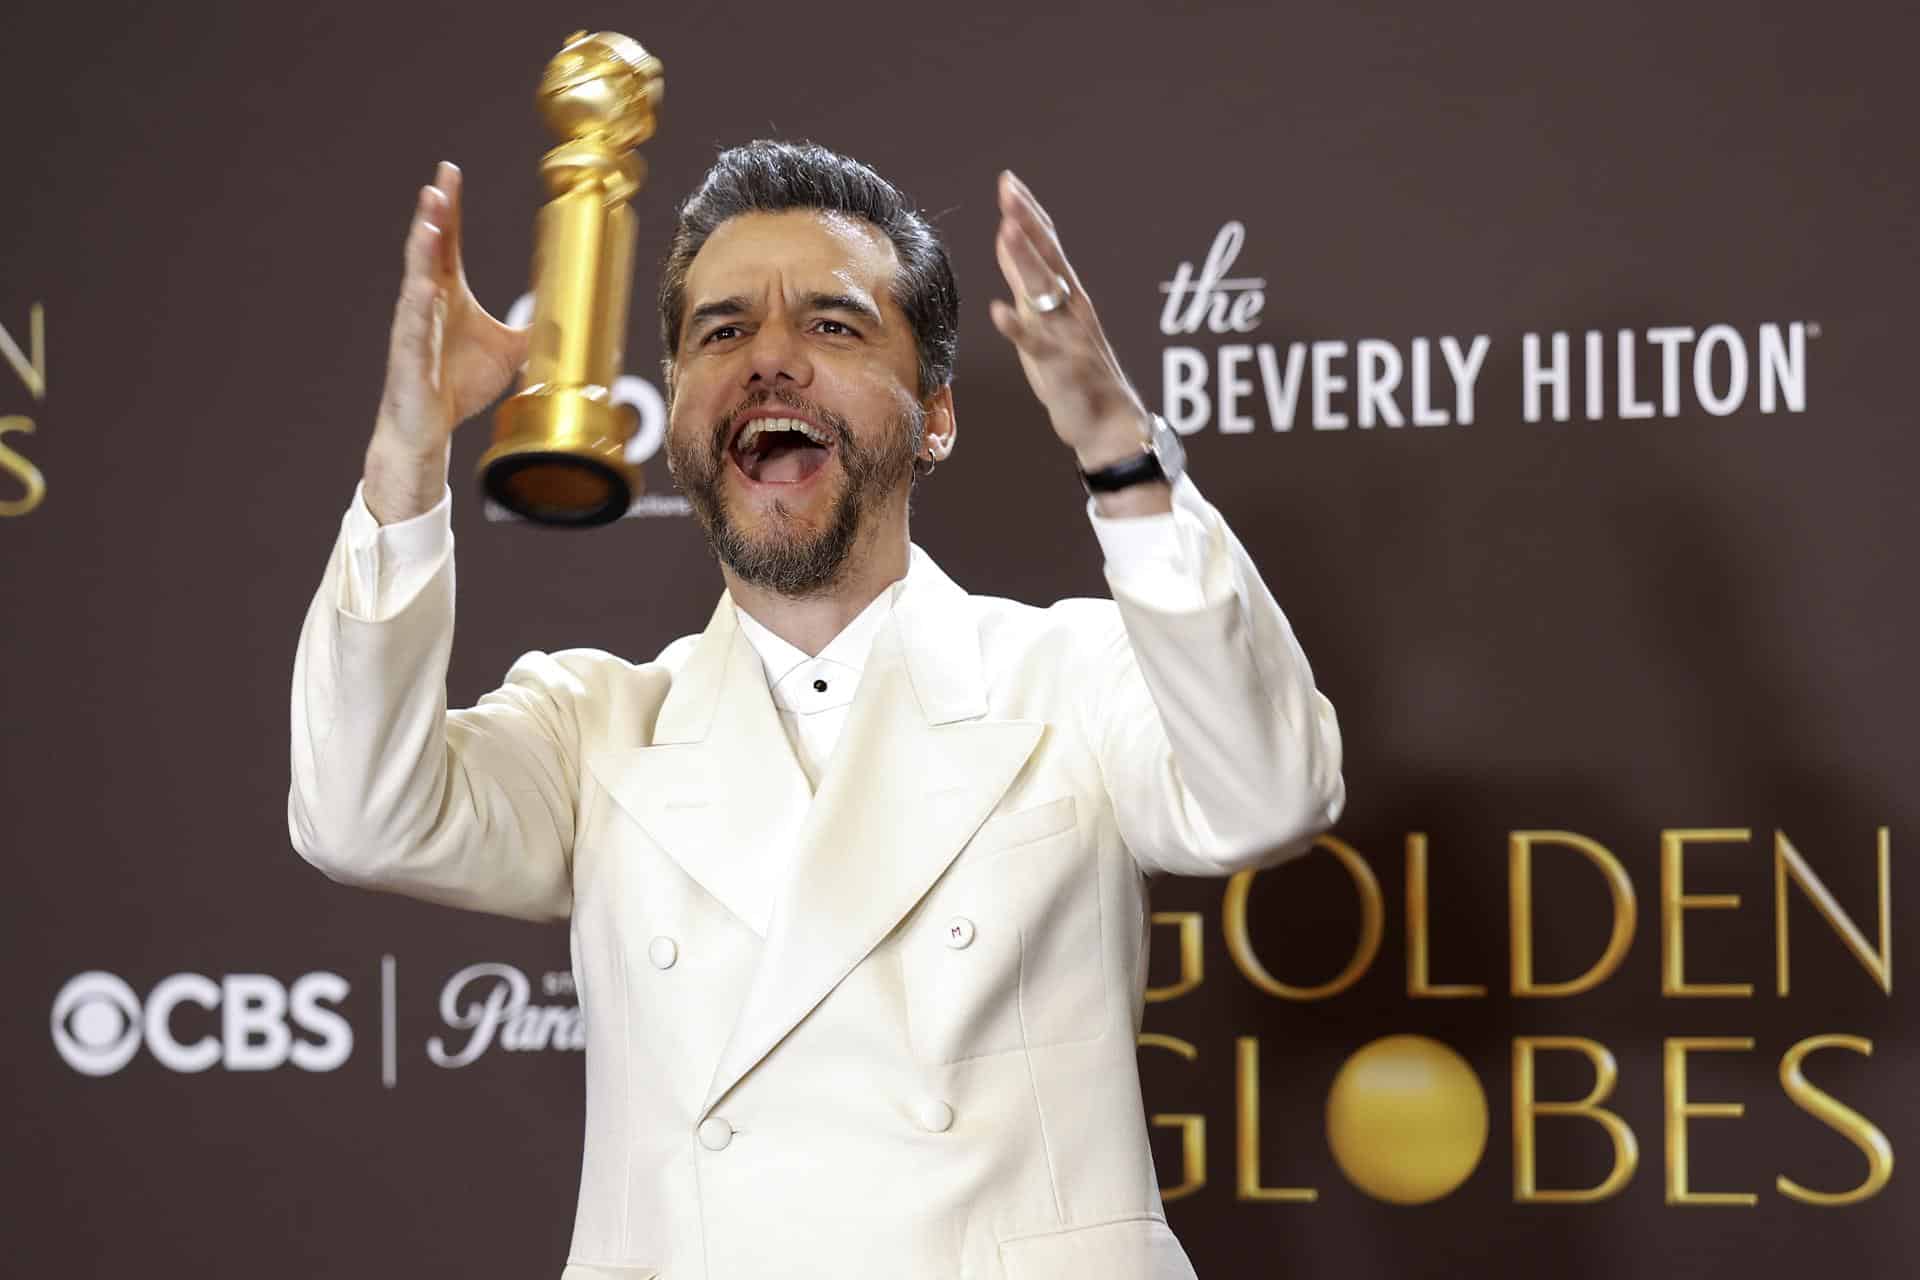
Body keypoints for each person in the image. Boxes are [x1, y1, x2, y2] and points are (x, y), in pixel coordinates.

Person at [289, 141, 1343, 1280]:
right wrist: (408, 451)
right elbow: (360, 817)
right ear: (674, 412)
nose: (769, 360)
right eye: (722, 331)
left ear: (934, 414)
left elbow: (1267, 795)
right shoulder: (593, 724)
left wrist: (1122, 457)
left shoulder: (1072, 674)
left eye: (833, 326)